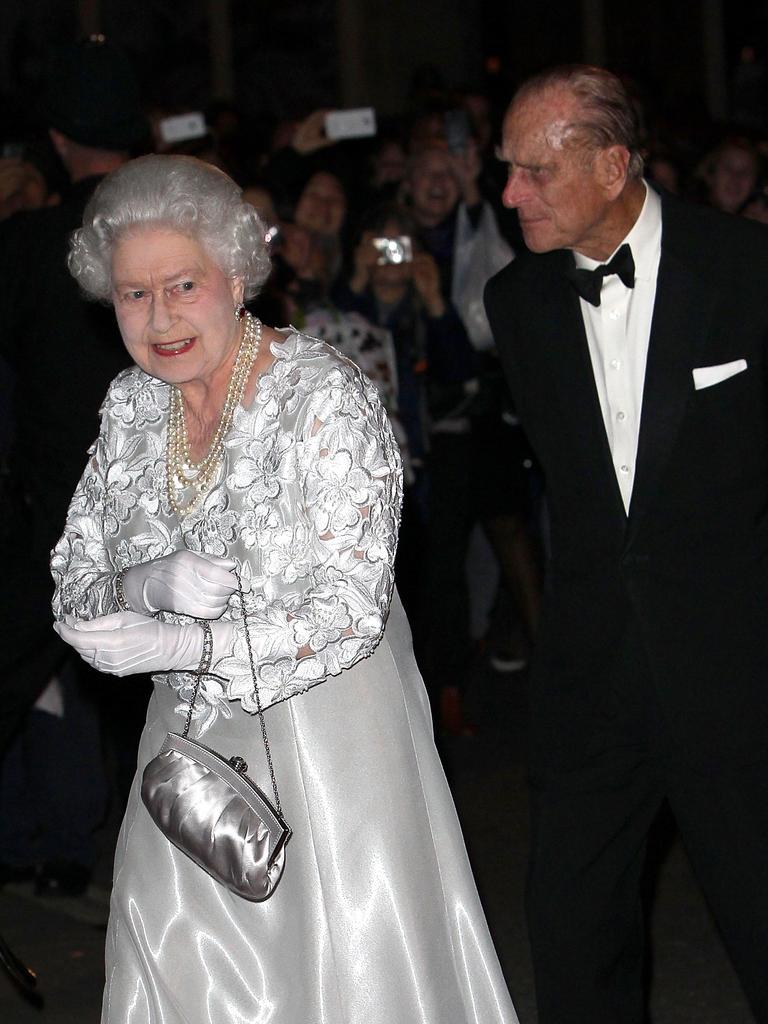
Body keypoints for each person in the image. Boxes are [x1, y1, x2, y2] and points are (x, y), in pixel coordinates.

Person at [51, 154, 519, 1024]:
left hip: (330, 744)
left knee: (342, 979)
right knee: (169, 954)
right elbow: (73, 585)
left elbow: (350, 612)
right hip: (184, 753)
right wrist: (140, 584)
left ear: (235, 275)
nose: (160, 319)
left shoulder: (322, 398)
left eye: (182, 284)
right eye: (132, 294)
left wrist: (193, 643)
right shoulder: (129, 406)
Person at [485, 64, 768, 1024]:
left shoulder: (746, 271)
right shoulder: (516, 302)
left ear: (612, 166)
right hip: (592, 674)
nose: (510, 192)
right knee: (571, 933)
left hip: (735, 672)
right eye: (506, 169)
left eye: (534, 171)